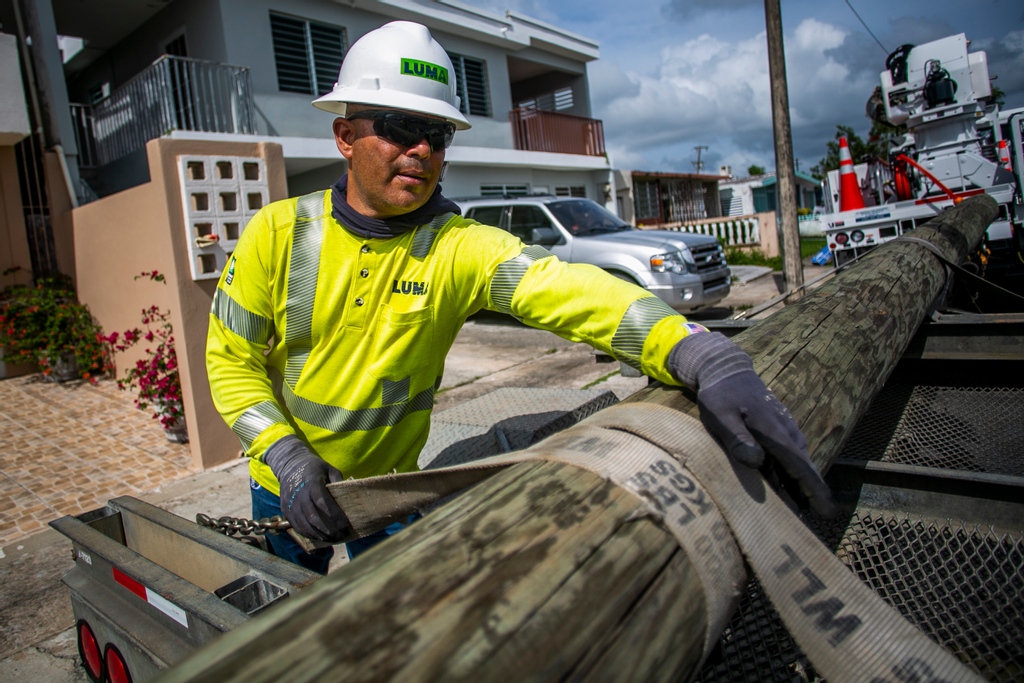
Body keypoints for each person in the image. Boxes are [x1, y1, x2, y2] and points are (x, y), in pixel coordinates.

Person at [206, 21, 834, 574]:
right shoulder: (278, 234)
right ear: (346, 136)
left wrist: (699, 352)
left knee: (397, 629)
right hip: (284, 482)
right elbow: (230, 361)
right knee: (283, 617)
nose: (422, 149)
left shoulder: (459, 248)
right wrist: (287, 459)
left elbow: (570, 290)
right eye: (401, 127)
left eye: (437, 134)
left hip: (392, 488)